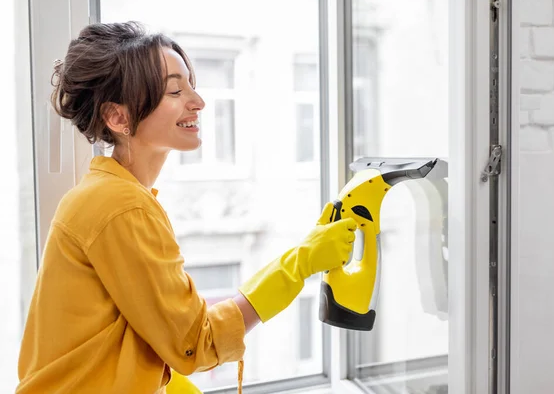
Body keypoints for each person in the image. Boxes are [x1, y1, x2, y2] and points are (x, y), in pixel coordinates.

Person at [16, 21, 357, 394]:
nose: (198, 101)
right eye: (175, 90)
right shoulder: (120, 206)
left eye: (191, 85)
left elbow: (129, 338)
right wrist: (300, 265)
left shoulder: (108, 194)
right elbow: (197, 343)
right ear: (119, 118)